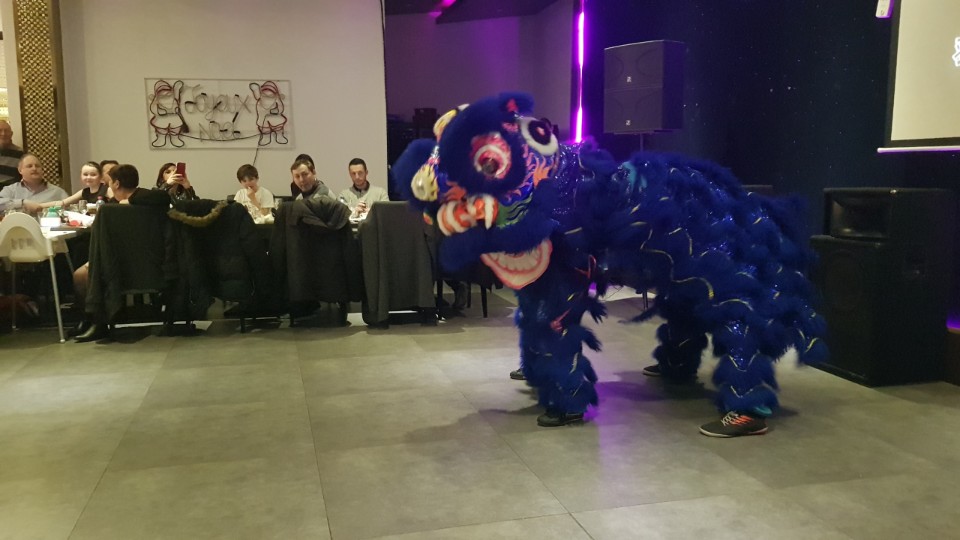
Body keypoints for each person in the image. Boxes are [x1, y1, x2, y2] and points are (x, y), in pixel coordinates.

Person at [73, 164, 171, 342]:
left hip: (122, 268)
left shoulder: (109, 211)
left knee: (80, 275)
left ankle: (95, 322)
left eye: (109, 183)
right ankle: (90, 322)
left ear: (116, 184)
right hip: (152, 265)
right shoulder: (144, 203)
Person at [0, 153, 69, 214]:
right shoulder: (10, 190)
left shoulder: (58, 192)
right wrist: (22, 203)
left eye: (37, 166)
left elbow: (70, 213)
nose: (34, 169)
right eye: (29, 166)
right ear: (20, 170)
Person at [35, 161, 111, 210]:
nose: (88, 177)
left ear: (100, 176)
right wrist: (39, 206)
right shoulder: (84, 192)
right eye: (85, 174)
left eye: (93, 175)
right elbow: (63, 203)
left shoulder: (107, 190)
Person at [0, 120, 24, 187]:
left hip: (12, 191)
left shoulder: (20, 154)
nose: (3, 134)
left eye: (6, 131)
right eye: (0, 130)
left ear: (11, 134)